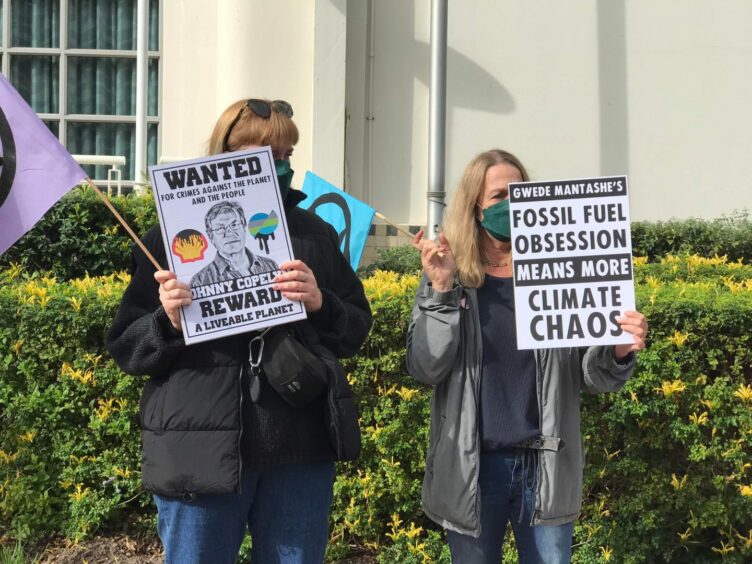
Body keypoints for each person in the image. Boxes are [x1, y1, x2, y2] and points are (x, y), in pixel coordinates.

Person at [106, 98, 372, 564]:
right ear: (225, 154)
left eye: (287, 154)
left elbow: (355, 329)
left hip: (300, 451)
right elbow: (128, 348)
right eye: (265, 153)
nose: (280, 165)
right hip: (197, 454)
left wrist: (320, 303)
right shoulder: (165, 240)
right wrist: (166, 322)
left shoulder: (314, 234)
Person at [406, 149, 648, 563]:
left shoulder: (563, 270)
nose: (513, 203)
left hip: (546, 469)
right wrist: (442, 292)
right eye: (500, 196)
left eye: (521, 192)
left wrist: (619, 349)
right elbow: (426, 366)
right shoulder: (452, 277)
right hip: (473, 470)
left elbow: (594, 377)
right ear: (475, 208)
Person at [190, 200, 278, 288]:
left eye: (234, 225)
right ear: (211, 236)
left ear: (244, 227)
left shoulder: (270, 266)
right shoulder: (199, 281)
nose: (229, 233)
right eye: (220, 228)